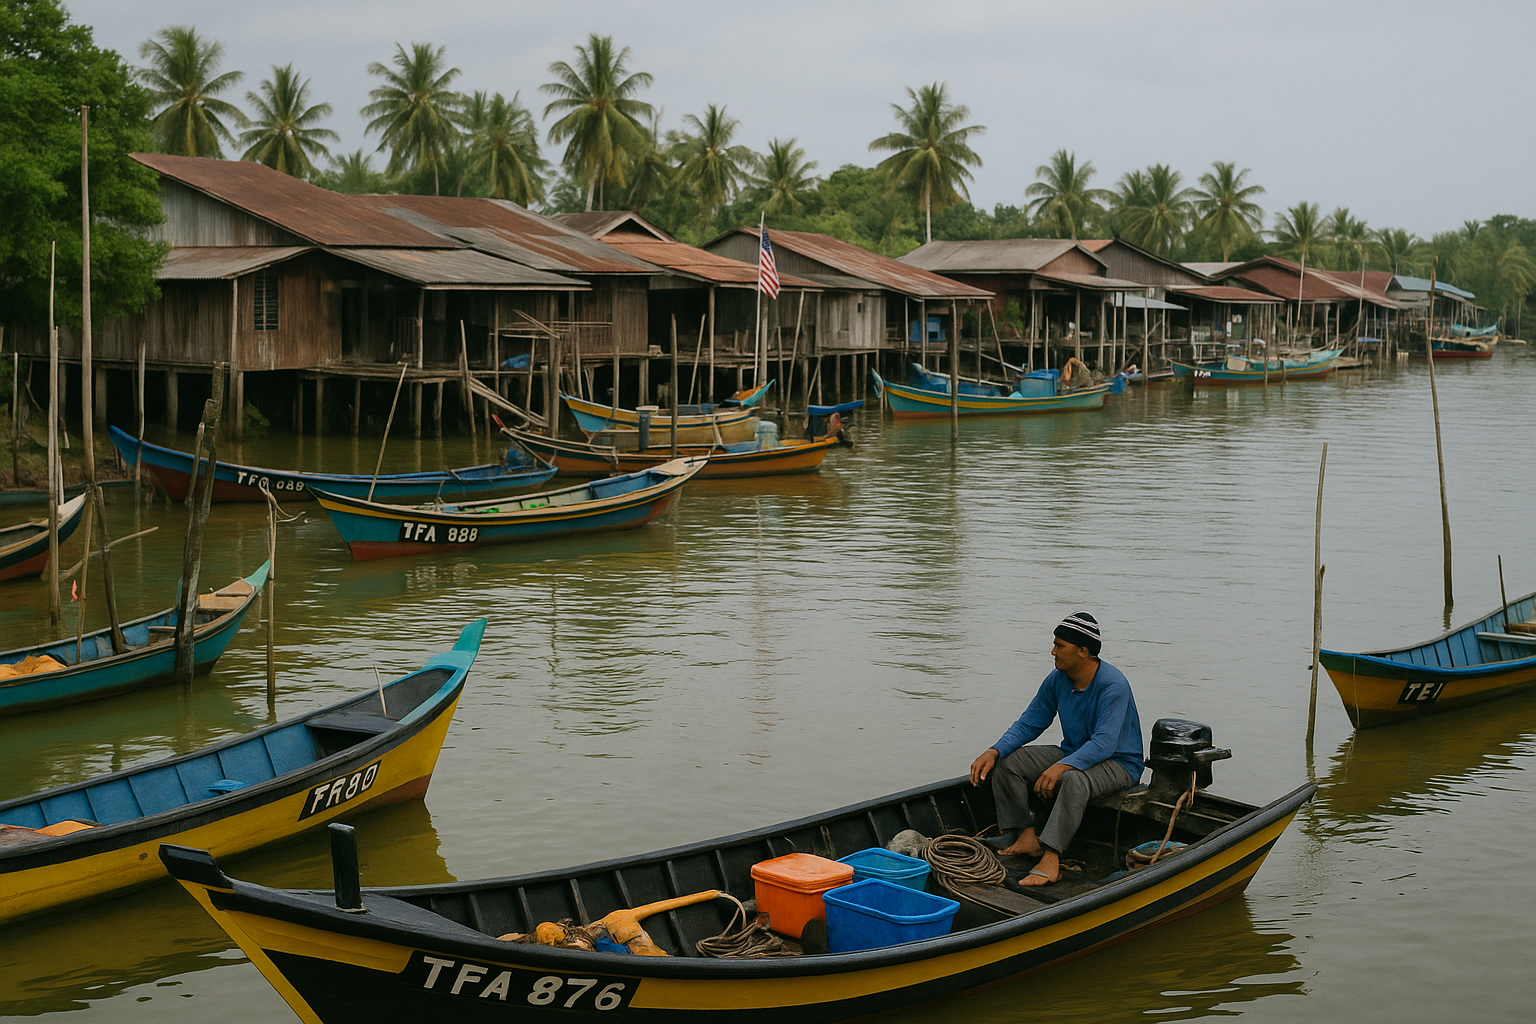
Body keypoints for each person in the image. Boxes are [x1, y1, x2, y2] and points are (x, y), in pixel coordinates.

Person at [968, 612, 1144, 887]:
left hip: (1119, 763)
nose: (1053, 651)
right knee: (1009, 762)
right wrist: (995, 750)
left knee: (1073, 779)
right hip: (1075, 752)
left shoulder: (1113, 685)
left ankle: (1051, 858)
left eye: (1060, 645)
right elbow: (1030, 722)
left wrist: (1063, 766)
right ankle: (1026, 836)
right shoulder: (1057, 679)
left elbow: (1105, 743)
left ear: (1083, 651)